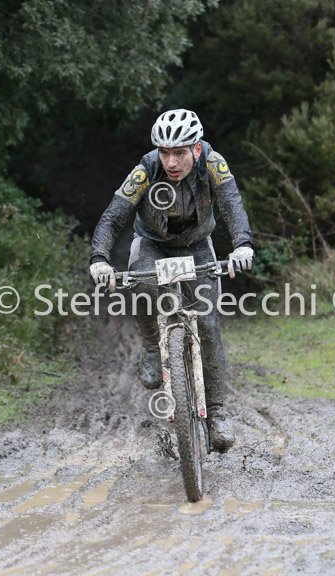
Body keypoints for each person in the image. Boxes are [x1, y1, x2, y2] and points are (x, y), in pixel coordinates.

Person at [89, 109, 254, 452]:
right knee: (142, 284)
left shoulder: (213, 163)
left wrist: (242, 245)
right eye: (165, 153)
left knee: (207, 324)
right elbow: (113, 217)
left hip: (198, 245)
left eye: (179, 153)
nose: (171, 162)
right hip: (153, 244)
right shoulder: (145, 170)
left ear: (196, 149)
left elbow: (232, 204)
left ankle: (218, 413)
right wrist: (100, 259)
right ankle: (153, 347)